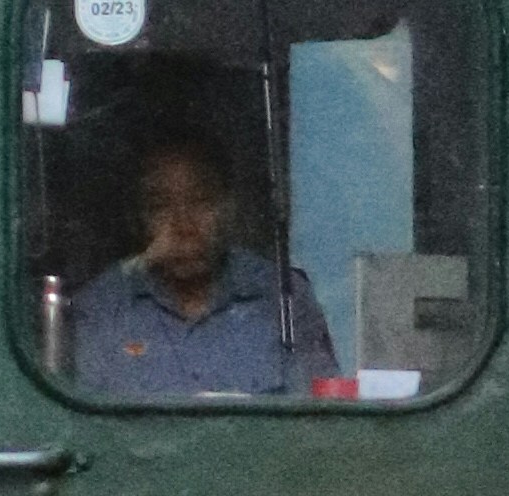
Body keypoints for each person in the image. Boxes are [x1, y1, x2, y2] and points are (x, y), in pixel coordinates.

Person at [64, 127, 333, 401]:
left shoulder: (284, 299)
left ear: (229, 208)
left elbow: (315, 422)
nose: (183, 225)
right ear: (136, 219)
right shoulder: (104, 307)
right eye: (160, 206)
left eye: (201, 201)